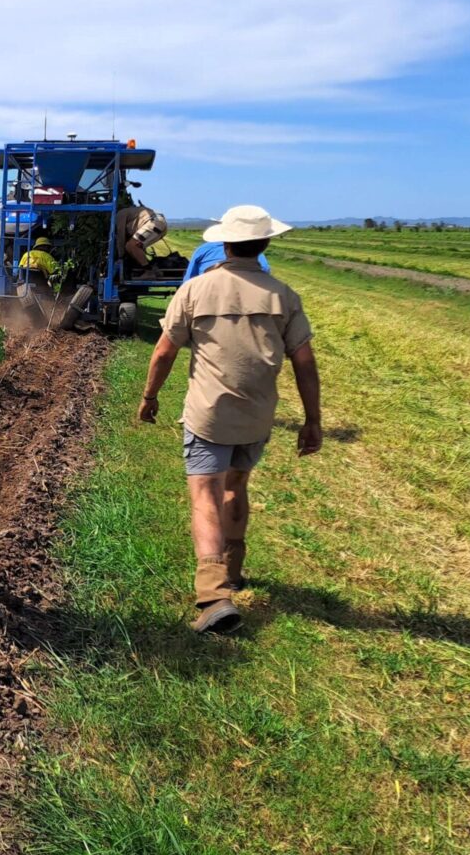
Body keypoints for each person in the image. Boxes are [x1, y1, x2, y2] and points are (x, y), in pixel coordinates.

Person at [137, 205, 322, 634]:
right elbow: (305, 363)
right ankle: (234, 571)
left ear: (224, 242)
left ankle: (214, 595)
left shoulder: (196, 291)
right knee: (235, 488)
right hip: (257, 415)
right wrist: (313, 420)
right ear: (265, 243)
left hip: (208, 415)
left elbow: (164, 351)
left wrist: (149, 397)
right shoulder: (282, 295)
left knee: (205, 494)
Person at [181, 237, 270, 282]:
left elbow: (189, 279)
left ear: (227, 248)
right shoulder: (280, 291)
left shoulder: (204, 250)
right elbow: (265, 276)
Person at [116, 204, 168, 274]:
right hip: (158, 224)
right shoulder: (131, 212)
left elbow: (120, 236)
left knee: (132, 245)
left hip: (154, 223)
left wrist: (120, 256)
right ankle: (152, 270)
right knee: (134, 247)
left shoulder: (120, 214)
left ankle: (149, 272)